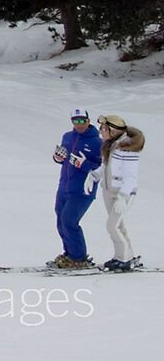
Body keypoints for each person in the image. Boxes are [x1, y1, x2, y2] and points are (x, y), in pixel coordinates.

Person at [52, 108, 103, 267]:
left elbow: (103, 167)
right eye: (76, 121)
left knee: (69, 221)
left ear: (89, 121)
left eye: (82, 120)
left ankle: (79, 258)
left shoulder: (98, 142)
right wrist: (58, 158)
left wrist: (83, 164)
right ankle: (69, 254)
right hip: (65, 186)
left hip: (83, 189)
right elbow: (64, 159)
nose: (79, 124)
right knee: (61, 220)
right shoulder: (67, 137)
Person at [96, 115, 143, 271]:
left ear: (113, 130)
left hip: (122, 194)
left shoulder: (127, 149)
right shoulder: (110, 145)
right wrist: (94, 175)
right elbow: (106, 167)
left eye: (104, 128)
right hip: (109, 191)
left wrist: (123, 197)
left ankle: (124, 259)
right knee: (119, 226)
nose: (101, 131)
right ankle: (125, 255)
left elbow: (130, 177)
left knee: (112, 226)